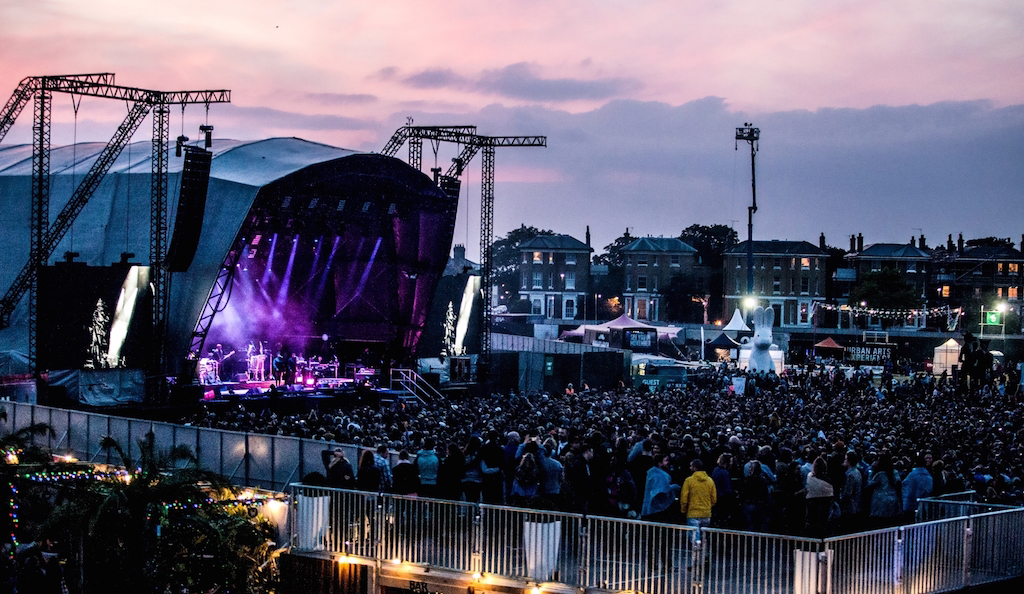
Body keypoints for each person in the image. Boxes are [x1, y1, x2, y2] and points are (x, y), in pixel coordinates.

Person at [680, 458, 717, 541]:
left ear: (695, 468)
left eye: (691, 466)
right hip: (706, 513)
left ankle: (696, 553)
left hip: (693, 513)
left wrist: (683, 510)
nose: (690, 468)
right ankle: (704, 551)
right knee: (704, 537)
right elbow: (714, 498)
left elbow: (684, 498)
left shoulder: (689, 481)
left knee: (695, 538)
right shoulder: (710, 481)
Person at [867, 452, 902, 528]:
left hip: (880, 502)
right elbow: (898, 483)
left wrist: (870, 472)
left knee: (881, 524)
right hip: (893, 499)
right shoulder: (894, 472)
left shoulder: (880, 475)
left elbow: (870, 484)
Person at [641, 453, 678, 522]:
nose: (668, 463)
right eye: (666, 461)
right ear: (660, 463)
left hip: (651, 507)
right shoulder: (659, 475)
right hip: (657, 509)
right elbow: (662, 490)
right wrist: (675, 487)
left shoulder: (652, 473)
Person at [902, 454, 934, 523]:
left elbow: (905, 486)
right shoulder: (928, 476)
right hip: (923, 503)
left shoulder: (912, 475)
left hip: (910, 503)